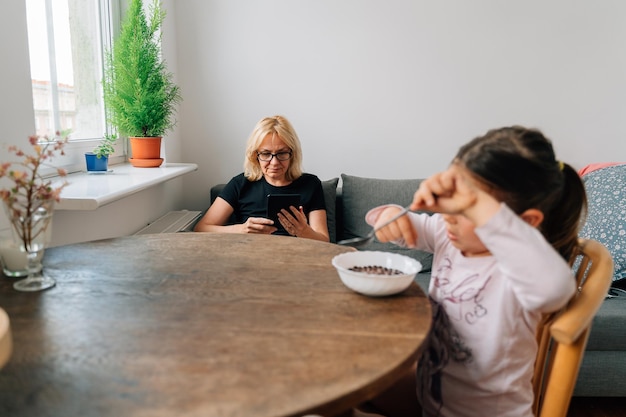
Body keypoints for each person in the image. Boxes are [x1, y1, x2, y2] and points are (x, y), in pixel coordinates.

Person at [361, 126, 587, 417]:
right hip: (432, 395)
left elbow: (556, 290)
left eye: (469, 209)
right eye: (453, 198)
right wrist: (389, 214)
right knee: (345, 378)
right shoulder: (448, 235)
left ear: (522, 222)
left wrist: (480, 208)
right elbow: (397, 228)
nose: (448, 218)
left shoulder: (519, 271)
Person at [194, 115, 330, 242]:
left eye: (282, 153)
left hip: (296, 257)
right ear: (255, 155)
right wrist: (241, 229)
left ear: (293, 154)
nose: (274, 162)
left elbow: (324, 240)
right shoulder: (240, 184)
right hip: (252, 256)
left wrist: (304, 231)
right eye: (266, 154)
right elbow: (202, 229)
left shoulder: (310, 184)